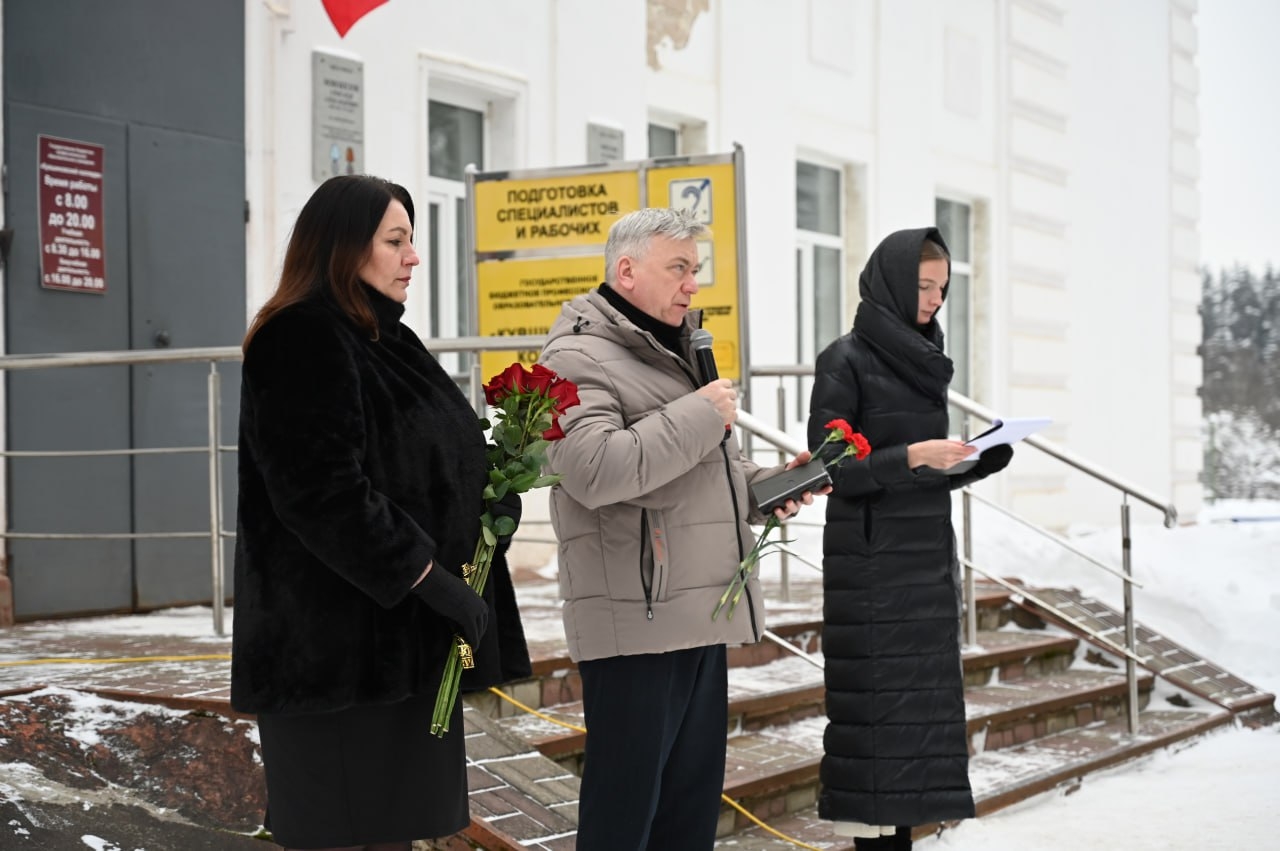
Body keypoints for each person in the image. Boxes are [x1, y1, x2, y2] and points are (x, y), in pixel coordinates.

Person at [230, 175, 530, 851]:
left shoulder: (388, 339)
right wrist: (430, 577)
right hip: (333, 659)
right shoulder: (301, 336)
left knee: (395, 833)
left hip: (396, 652)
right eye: (395, 241)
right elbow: (321, 492)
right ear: (342, 248)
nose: (413, 257)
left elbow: (428, 454)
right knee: (346, 835)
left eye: (411, 241)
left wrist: (491, 493)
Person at [539, 208, 822, 850]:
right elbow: (592, 468)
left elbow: (701, 466)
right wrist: (698, 413)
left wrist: (768, 486)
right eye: (679, 268)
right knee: (624, 817)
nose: (693, 284)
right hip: (636, 622)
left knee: (686, 817)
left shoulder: (676, 349)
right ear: (627, 270)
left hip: (696, 613)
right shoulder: (573, 355)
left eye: (695, 269)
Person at [807, 227, 1014, 850]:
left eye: (943, 288)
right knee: (876, 729)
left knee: (914, 733)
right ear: (893, 281)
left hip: (921, 563)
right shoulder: (843, 359)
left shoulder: (922, 357)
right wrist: (912, 454)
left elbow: (918, 474)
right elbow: (829, 467)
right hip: (871, 570)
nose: (934, 300)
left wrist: (977, 459)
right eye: (924, 285)